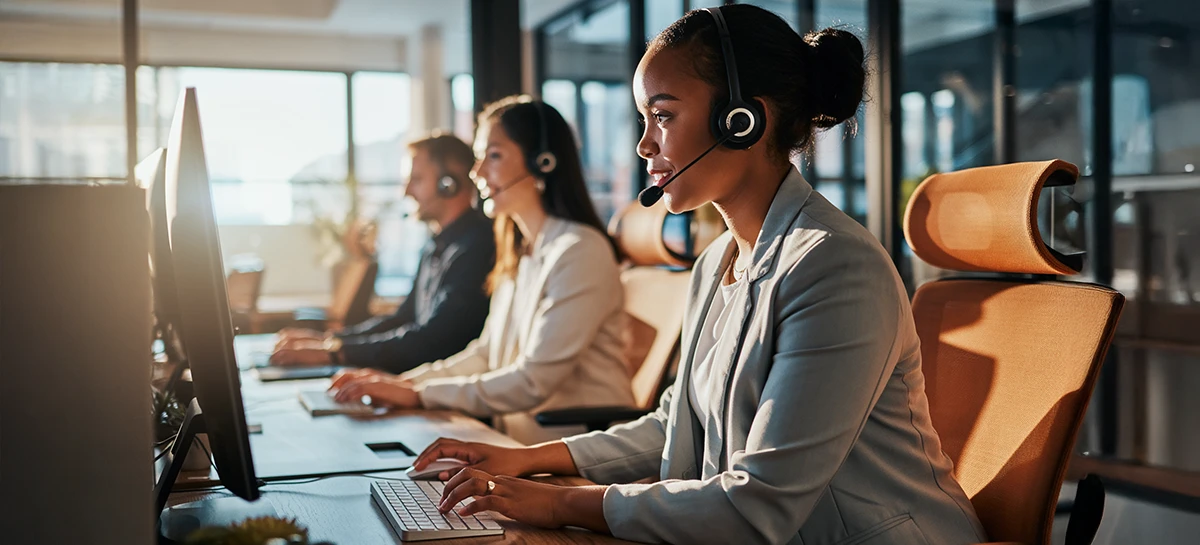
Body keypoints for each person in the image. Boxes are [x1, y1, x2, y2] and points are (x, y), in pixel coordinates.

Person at [410, 6, 988, 545]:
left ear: (741, 120)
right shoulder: (716, 263)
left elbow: (758, 505)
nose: (644, 144)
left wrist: (560, 504)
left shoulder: (836, 266)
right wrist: (528, 460)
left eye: (662, 115)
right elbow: (675, 426)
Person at [328, 96, 635, 445]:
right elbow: (485, 354)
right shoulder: (521, 251)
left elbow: (533, 380)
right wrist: (407, 384)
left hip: (574, 455)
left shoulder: (580, 251)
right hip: (516, 445)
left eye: (494, 156)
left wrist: (420, 395)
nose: (476, 173)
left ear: (542, 161)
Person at [270, 132, 494, 374]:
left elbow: (434, 341)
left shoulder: (476, 247)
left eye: (416, 179)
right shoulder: (435, 246)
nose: (406, 191)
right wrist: (329, 340)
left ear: (448, 184)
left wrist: (334, 353)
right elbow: (403, 319)